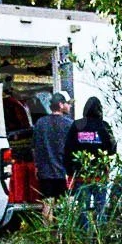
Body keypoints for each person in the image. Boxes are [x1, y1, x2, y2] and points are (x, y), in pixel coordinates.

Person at [30, 92, 76, 221]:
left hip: (45, 171)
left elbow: (34, 147)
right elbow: (73, 149)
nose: (69, 106)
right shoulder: (69, 124)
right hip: (64, 172)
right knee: (67, 203)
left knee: (47, 204)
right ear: (61, 105)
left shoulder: (40, 123)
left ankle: (48, 236)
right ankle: (65, 235)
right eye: (68, 103)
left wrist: (37, 166)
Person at [68, 96, 117, 174]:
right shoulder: (104, 126)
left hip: (80, 173)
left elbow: (68, 149)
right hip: (99, 173)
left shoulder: (77, 124)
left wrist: (69, 171)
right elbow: (112, 148)